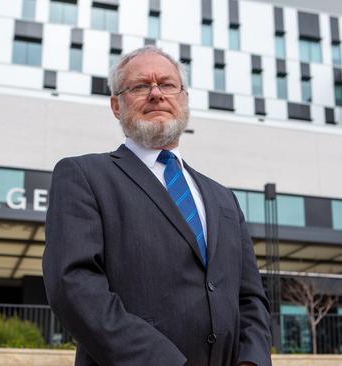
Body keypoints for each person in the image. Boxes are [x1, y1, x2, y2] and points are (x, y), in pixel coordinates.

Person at [43, 45, 272, 366]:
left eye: (167, 84)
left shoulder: (223, 198)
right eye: (139, 86)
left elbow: (250, 296)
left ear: (184, 99)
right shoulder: (83, 176)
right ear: (116, 105)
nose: (155, 94)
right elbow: (73, 286)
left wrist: (252, 360)